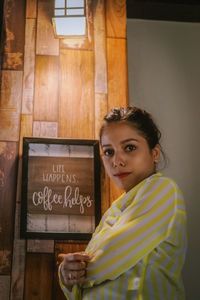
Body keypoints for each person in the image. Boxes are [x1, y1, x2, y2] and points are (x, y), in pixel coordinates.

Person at [58, 106, 187, 300]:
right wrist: (66, 274)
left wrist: (76, 272)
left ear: (155, 153)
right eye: (108, 152)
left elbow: (109, 259)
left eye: (129, 148)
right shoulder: (115, 209)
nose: (117, 161)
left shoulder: (164, 190)